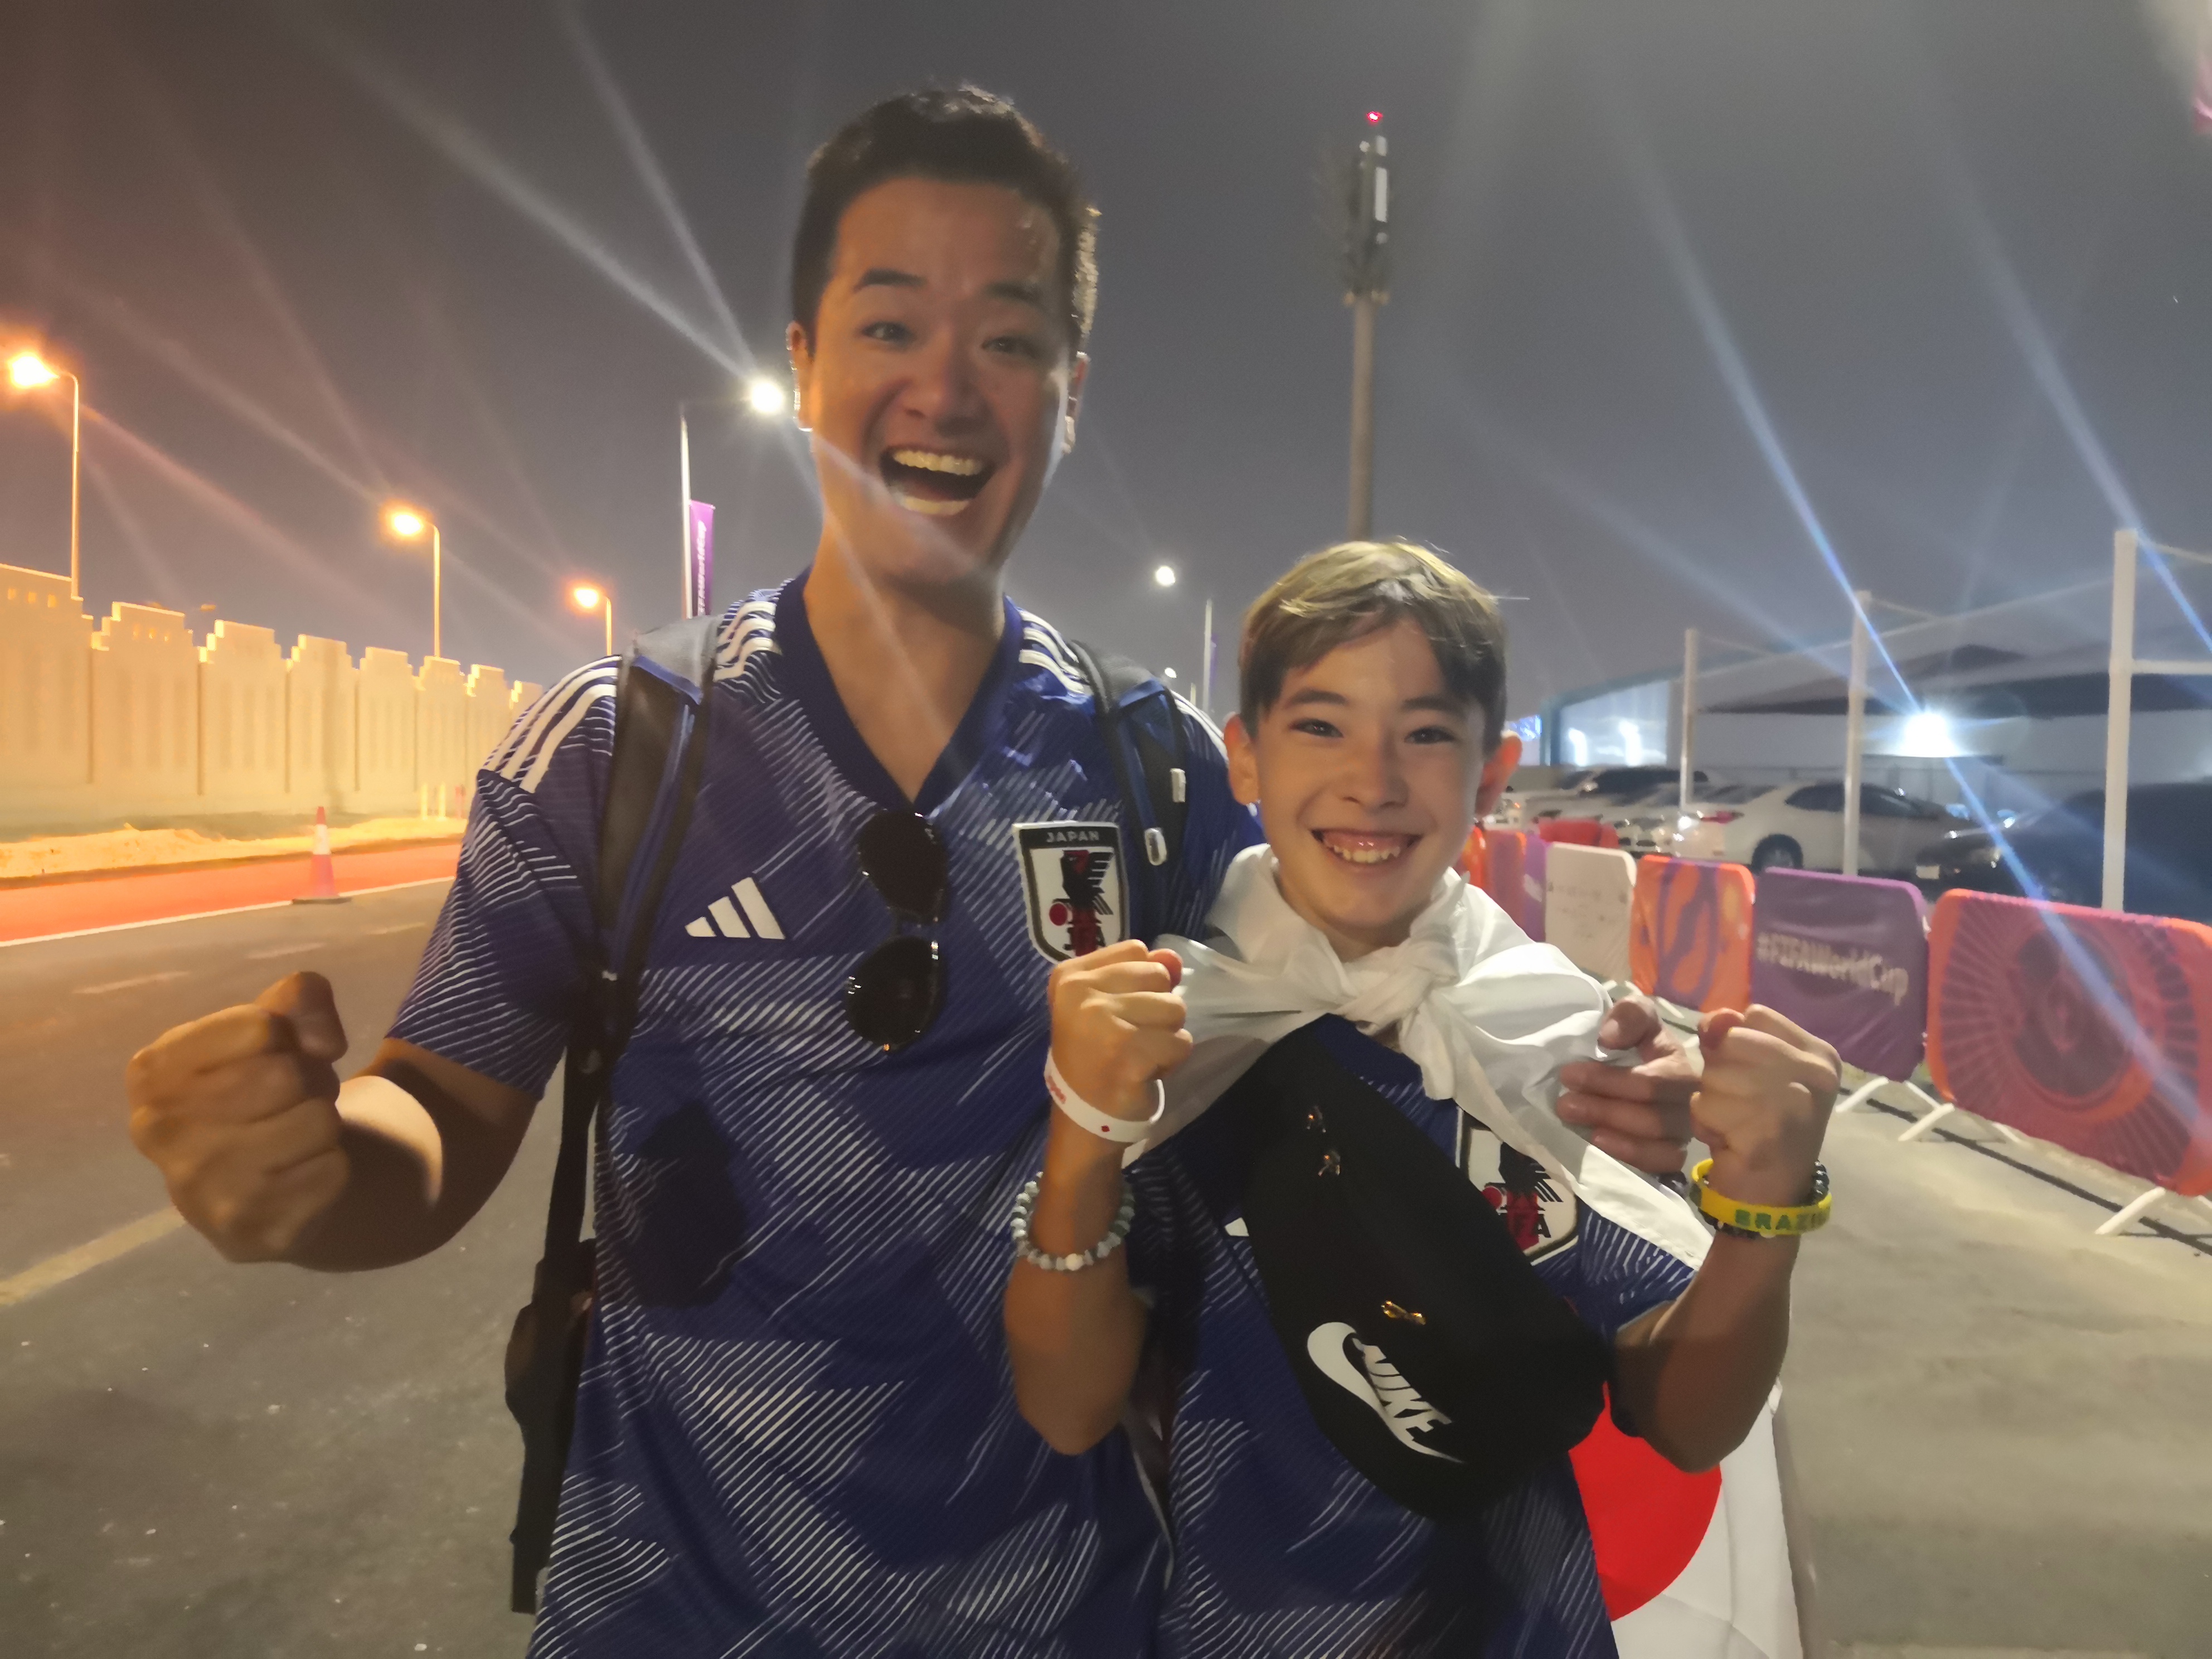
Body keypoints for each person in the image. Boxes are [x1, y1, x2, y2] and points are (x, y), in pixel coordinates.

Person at [125, 95, 1696, 1655]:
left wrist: (1597, 1069)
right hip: (672, 1609)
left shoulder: (1146, 768)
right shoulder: (620, 748)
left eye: (1008, 339)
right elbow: (437, 1117)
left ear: (1070, 394)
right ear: (803, 362)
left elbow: (1366, 985)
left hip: (1062, 1614)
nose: (944, 388)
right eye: (889, 326)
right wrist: (314, 1161)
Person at [1007, 542, 1840, 1656]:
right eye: (1321, 726)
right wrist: (1084, 1133)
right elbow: (1067, 1410)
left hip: (1513, 1624)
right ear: (1244, 758)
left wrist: (1765, 1212)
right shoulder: (1161, 1029)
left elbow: (1687, 1422)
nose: (1374, 779)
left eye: (1427, 734)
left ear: (1492, 773)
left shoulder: (1554, 1030)